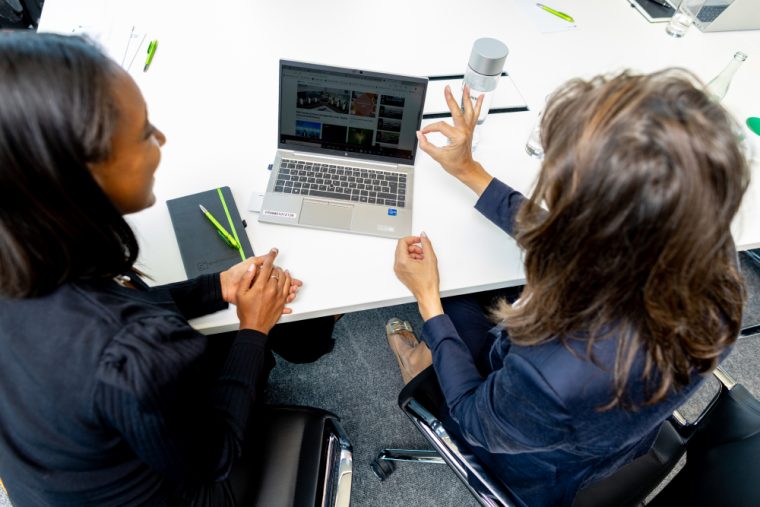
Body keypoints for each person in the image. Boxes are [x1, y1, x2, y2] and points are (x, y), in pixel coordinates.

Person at [387, 71, 749, 505]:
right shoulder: (712, 257)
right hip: (608, 427)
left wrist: (427, 300)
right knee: (474, 286)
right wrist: (471, 171)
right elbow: (570, 236)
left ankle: (417, 364)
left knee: (451, 300)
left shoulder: (558, 372)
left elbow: (472, 417)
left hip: (524, 455)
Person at [0, 32, 331, 506]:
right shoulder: (136, 352)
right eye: (143, 133)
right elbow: (214, 457)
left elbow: (114, 306)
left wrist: (215, 286)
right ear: (80, 176)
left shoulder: (24, 250)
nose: (161, 139)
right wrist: (254, 330)